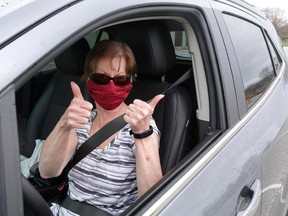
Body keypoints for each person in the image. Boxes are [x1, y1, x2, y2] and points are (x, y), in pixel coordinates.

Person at [38, 40, 164, 215]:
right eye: (101, 78)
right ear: (89, 78)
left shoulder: (141, 125)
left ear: (130, 82)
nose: (111, 86)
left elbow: (154, 201)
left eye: (120, 79)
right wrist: (64, 124)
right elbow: (47, 171)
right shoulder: (82, 119)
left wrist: (143, 134)